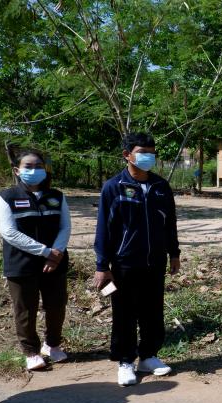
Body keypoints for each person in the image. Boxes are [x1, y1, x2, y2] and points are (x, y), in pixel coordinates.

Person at [94, 132, 180, 386]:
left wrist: (174, 253)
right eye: (142, 152)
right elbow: (104, 229)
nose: (148, 157)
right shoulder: (114, 187)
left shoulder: (160, 187)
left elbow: (170, 224)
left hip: (155, 262)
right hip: (124, 263)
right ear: (127, 155)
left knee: (153, 311)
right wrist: (102, 265)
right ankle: (125, 361)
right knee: (125, 314)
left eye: (152, 153)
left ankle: (148, 356)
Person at [0, 149, 71, 371]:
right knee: (25, 310)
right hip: (21, 264)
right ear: (17, 171)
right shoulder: (7, 197)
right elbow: (9, 233)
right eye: (28, 166)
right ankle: (31, 352)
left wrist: (56, 254)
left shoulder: (57, 196)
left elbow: (65, 227)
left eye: (38, 166)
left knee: (56, 305)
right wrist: (46, 252)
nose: (34, 170)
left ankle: (52, 345)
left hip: (54, 263)